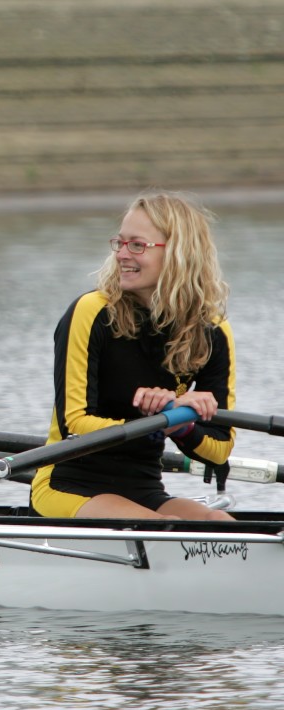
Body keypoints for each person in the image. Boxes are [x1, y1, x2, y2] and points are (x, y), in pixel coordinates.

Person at [31, 191, 236, 521]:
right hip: (69, 485)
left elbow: (220, 448)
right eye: (120, 243)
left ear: (180, 254)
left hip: (145, 489)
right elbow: (76, 424)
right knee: (167, 528)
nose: (122, 255)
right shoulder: (92, 312)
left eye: (137, 245)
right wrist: (165, 415)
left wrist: (178, 424)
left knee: (222, 524)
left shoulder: (212, 331)